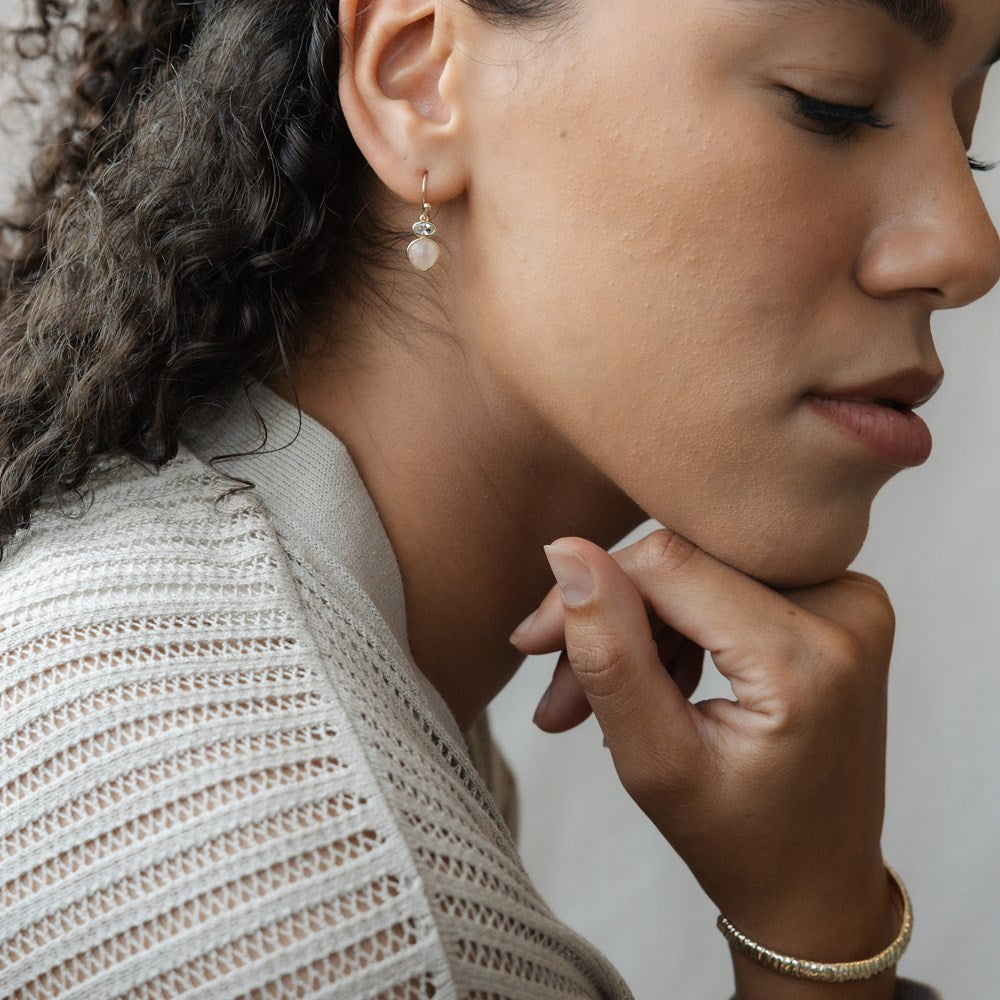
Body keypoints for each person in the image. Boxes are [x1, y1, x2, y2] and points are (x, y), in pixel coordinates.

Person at [0, 0, 997, 997]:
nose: (965, 248)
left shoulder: (191, 641)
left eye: (969, 140)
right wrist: (820, 944)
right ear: (417, 83)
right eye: (831, 103)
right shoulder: (329, 913)